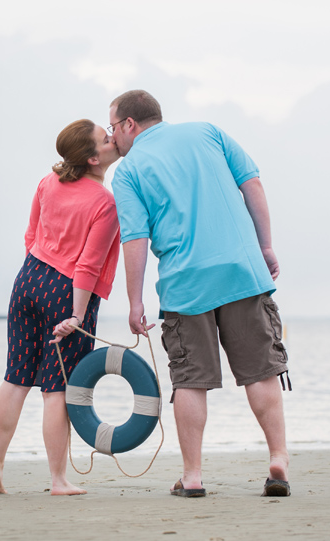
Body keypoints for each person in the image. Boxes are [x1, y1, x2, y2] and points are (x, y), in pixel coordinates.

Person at [108, 90, 291, 498]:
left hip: (184, 284)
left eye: (113, 128)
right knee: (261, 371)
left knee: (190, 381)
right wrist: (264, 246)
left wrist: (134, 301)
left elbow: (135, 238)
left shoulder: (129, 170)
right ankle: (277, 458)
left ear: (129, 125)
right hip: (242, 270)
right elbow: (252, 185)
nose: (112, 139)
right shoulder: (208, 132)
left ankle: (192, 476)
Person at [0, 119, 121, 496]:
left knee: (16, 378)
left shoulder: (47, 182)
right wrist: (76, 315)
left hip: (28, 278)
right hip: (66, 290)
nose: (113, 140)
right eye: (106, 139)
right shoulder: (105, 203)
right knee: (56, 389)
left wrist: (38, 267)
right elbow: (88, 266)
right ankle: (58, 480)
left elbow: (30, 234)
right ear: (94, 158)